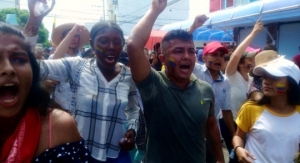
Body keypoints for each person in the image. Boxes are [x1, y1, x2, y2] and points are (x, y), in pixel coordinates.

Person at [127, 0, 224, 162]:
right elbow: (134, 45)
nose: (186, 56)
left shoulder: (206, 90)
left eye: (191, 51)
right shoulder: (153, 84)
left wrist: (221, 160)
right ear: (163, 59)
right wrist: (154, 10)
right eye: (178, 51)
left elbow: (212, 127)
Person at [38, 21, 140, 162]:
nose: (111, 47)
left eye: (117, 42)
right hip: (82, 152)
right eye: (103, 41)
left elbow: (133, 108)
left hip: (117, 153)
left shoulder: (129, 76)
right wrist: (35, 22)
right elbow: (38, 68)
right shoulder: (77, 67)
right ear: (92, 45)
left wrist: (132, 129)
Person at [0, 21, 91, 162]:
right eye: (69, 36)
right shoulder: (60, 59)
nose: (8, 69)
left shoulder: (82, 59)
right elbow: (52, 63)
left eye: (18, 60)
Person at [233, 57, 300, 163]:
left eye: (274, 78)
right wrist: (238, 149)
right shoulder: (250, 108)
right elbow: (238, 136)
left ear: (290, 85)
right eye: (265, 77)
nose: (265, 82)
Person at [193, 41, 235, 162]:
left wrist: (234, 135)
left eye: (222, 56)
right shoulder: (196, 71)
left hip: (211, 134)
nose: (219, 58)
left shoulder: (225, 82)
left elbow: (226, 111)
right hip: (191, 133)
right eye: (214, 54)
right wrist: (194, 27)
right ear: (204, 57)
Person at [225, 19, 263, 120]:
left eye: (253, 60)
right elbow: (235, 56)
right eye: (250, 59)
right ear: (241, 63)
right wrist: (253, 34)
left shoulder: (252, 80)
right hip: (230, 122)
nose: (253, 63)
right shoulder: (232, 75)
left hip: (245, 123)